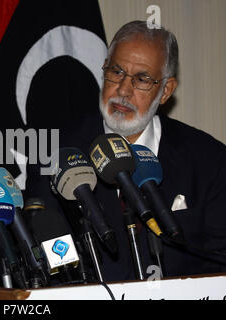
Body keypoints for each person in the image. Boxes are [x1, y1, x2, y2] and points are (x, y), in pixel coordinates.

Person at [26, 20, 226, 283]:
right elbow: (43, 261)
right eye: (116, 72)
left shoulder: (208, 158)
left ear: (166, 90)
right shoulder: (55, 151)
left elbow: (219, 262)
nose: (123, 90)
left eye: (141, 79)